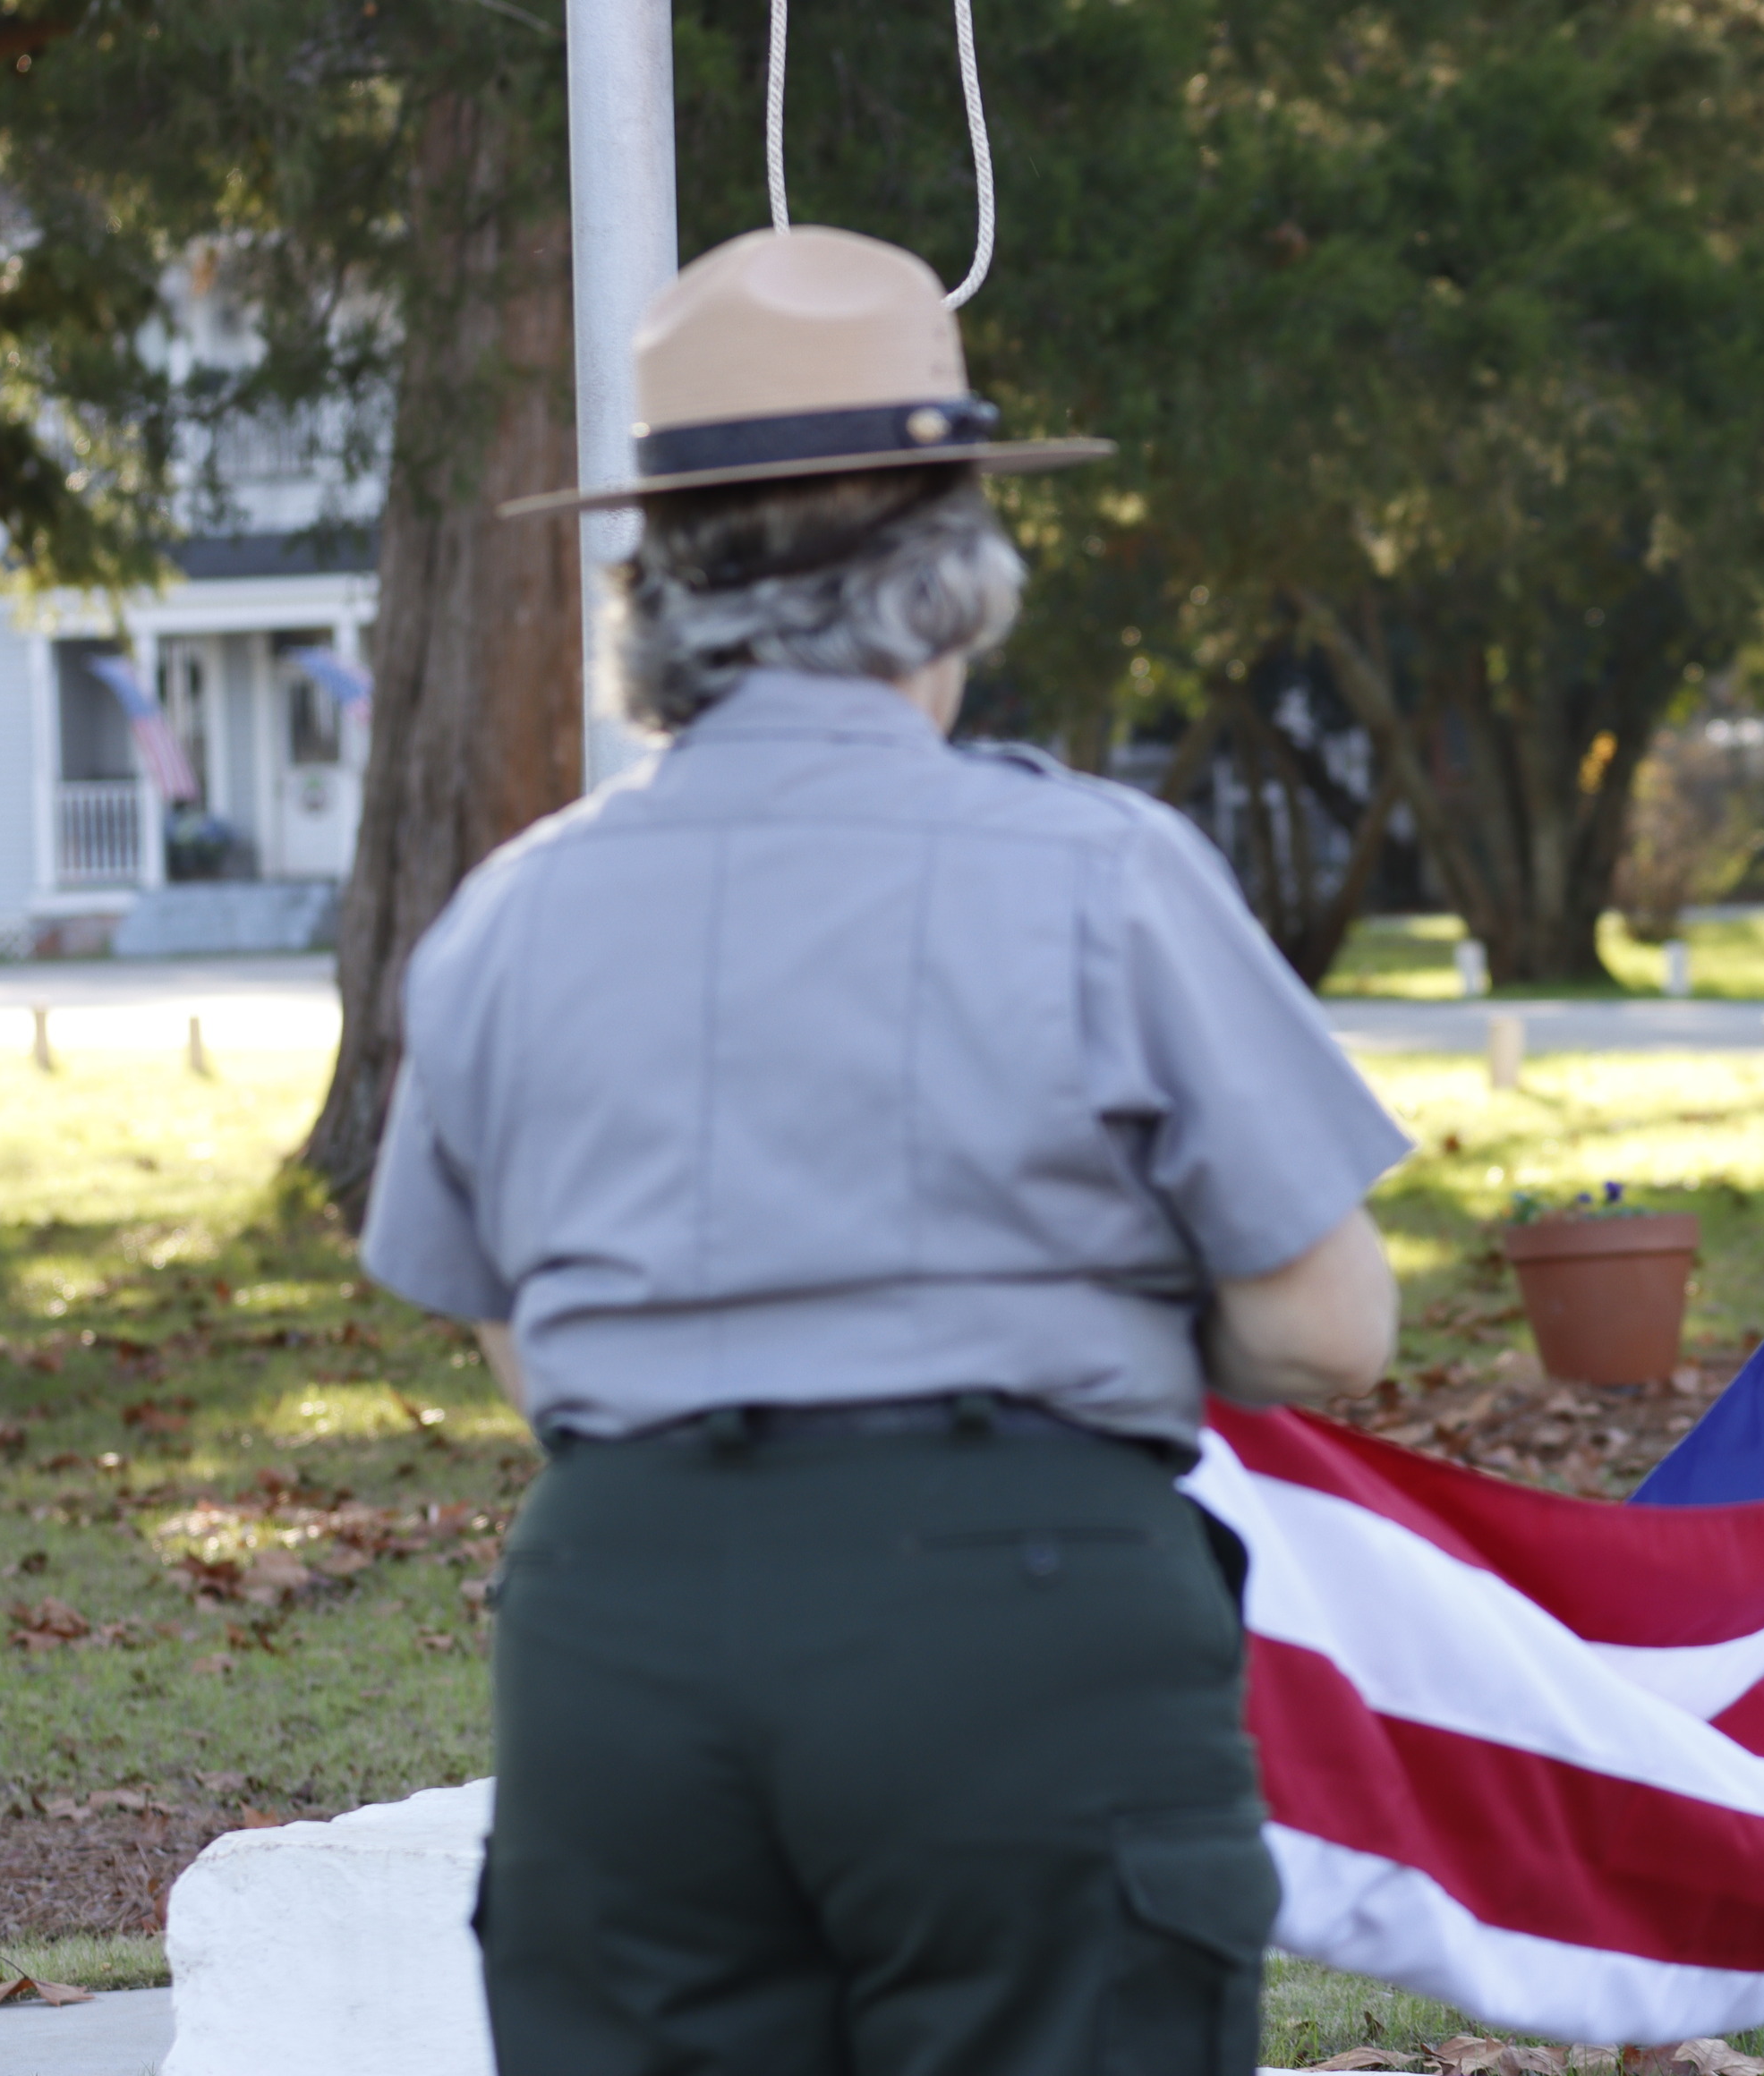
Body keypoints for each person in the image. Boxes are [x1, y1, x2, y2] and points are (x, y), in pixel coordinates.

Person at [361, 225, 1410, 2076]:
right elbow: (1329, 1328)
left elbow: (520, 1342)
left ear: (655, 585)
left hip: (622, 1614)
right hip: (1017, 1599)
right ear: (954, 577)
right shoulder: (1102, 873)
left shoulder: (504, 914)